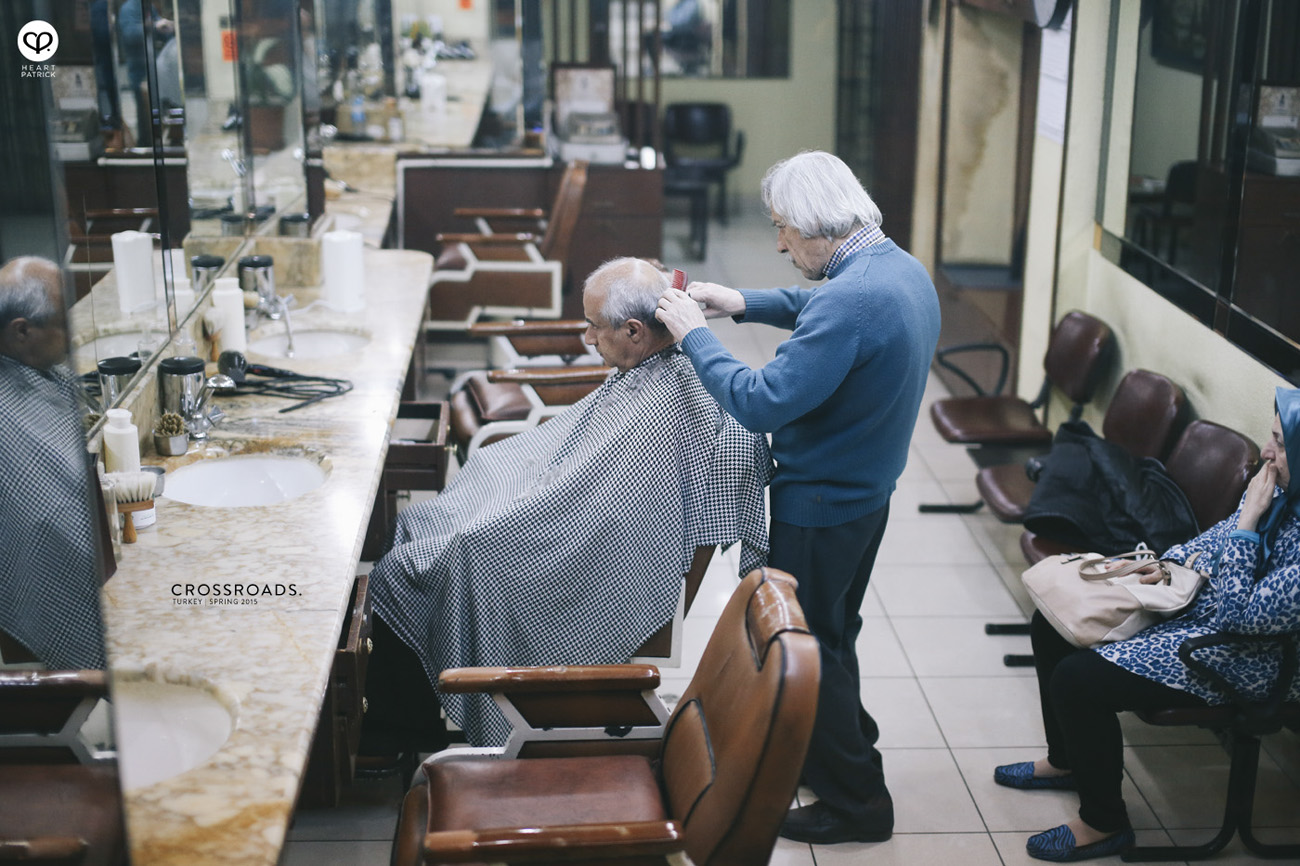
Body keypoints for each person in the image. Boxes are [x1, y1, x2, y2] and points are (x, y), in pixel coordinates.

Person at [364, 258, 772, 750]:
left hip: (566, 546)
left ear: (635, 331)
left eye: (593, 327)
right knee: (417, 522)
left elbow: (603, 513)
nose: (586, 338)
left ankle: (405, 734)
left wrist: (497, 527)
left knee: (406, 568)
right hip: (540, 497)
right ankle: (412, 706)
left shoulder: (675, 403)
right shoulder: (649, 368)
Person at [655, 150, 942, 844]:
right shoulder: (898, 268)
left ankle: (858, 800)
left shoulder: (853, 300)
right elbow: (824, 305)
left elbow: (760, 401)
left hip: (820, 505)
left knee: (806, 647)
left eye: (784, 229)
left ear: (817, 227)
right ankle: (842, 750)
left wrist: (695, 335)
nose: (780, 243)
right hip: (866, 497)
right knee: (833, 637)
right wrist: (740, 302)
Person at [997, 387, 1300, 862]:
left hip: (1249, 660)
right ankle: (1066, 761)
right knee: (1049, 626)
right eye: (1271, 437)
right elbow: (1208, 543)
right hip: (1201, 622)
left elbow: (1240, 617)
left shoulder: (1272, 505)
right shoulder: (1281, 493)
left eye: (1280, 444)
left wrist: (1247, 524)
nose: (1267, 452)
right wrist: (1166, 564)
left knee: (1080, 680)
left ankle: (1104, 822)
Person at [0, 257, 106, 671]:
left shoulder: (32, 369)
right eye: (65, 324)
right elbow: (52, 524)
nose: (75, 337)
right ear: (22, 330)